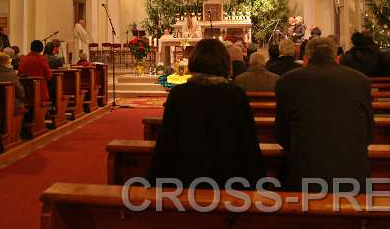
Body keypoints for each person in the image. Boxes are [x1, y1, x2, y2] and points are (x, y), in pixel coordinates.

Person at [148, 38, 265, 186]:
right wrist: (258, 181)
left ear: (194, 60)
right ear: (225, 63)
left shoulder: (179, 94)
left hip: (185, 178)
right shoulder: (235, 94)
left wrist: (154, 181)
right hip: (229, 179)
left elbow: (166, 141)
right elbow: (248, 141)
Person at [276, 37, 373, 191]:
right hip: (353, 175)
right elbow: (368, 134)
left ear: (306, 59)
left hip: (304, 174)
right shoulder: (361, 81)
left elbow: (282, 135)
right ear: (337, 58)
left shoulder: (287, 81)